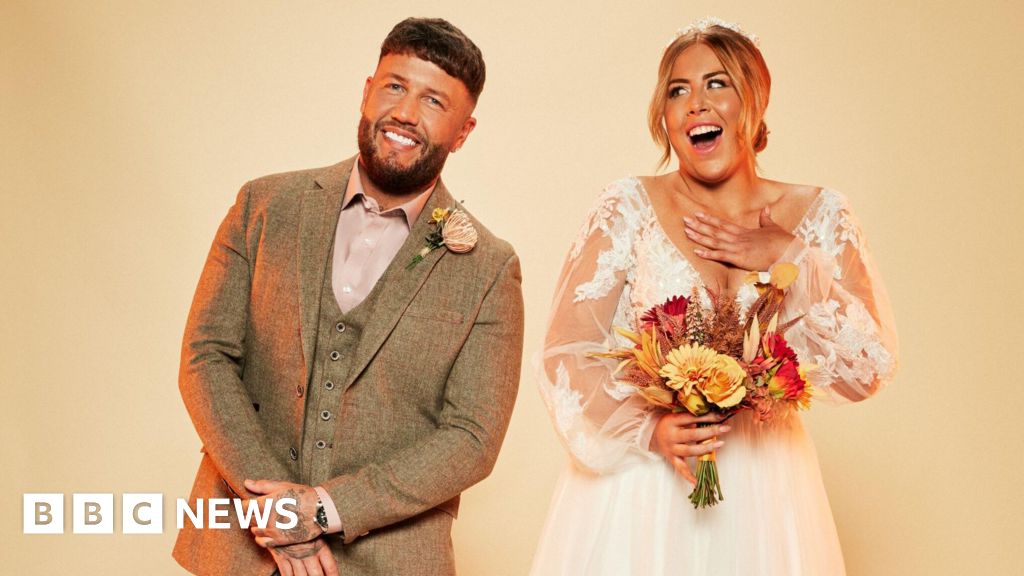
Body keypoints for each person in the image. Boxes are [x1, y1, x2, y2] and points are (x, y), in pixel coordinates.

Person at [530, 17, 898, 575]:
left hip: (766, 489)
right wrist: (647, 430)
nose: (696, 104)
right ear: (666, 117)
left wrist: (788, 257)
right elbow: (565, 352)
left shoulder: (820, 215)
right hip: (642, 491)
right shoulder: (628, 206)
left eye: (717, 83)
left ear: (755, 98)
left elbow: (865, 369)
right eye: (678, 91)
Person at [174, 18, 524, 576]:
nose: (406, 112)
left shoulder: (489, 266)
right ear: (366, 92)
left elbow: (472, 438)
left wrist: (328, 509)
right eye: (394, 86)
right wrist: (277, 509)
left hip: (390, 560)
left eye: (434, 100)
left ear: (464, 131)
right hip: (240, 550)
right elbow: (205, 357)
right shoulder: (263, 206)